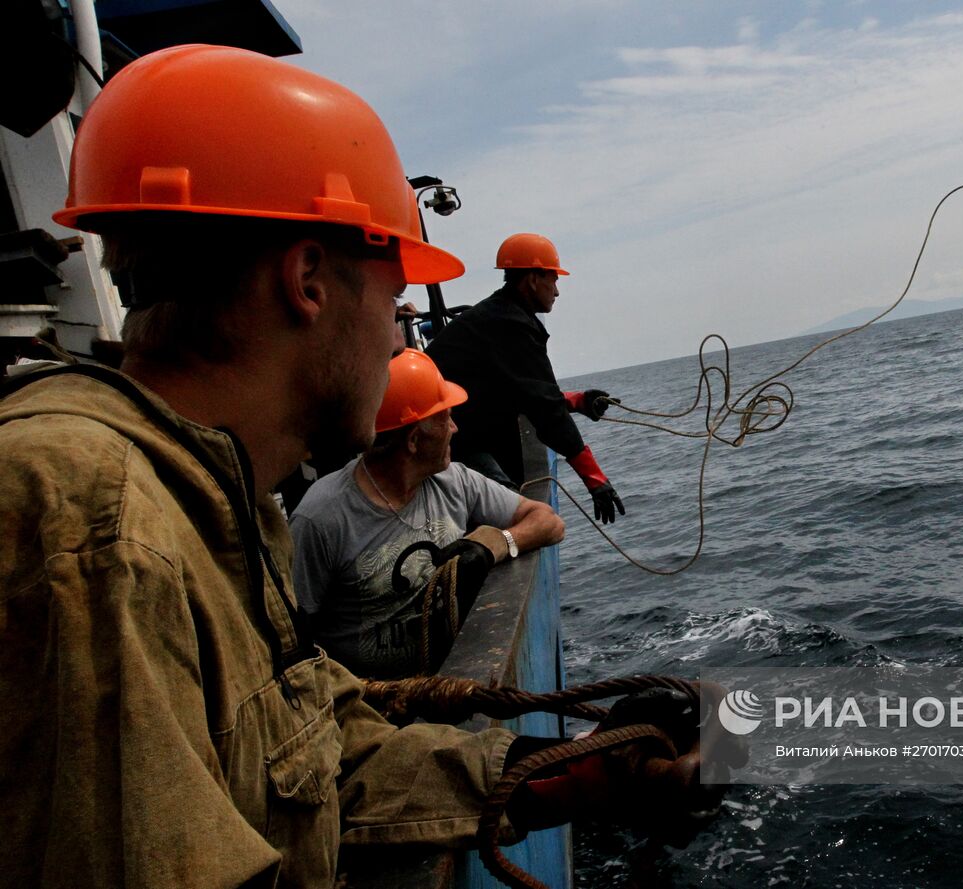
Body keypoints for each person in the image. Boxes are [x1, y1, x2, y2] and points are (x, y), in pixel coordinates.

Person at [0, 45, 723, 888]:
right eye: (392, 298)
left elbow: (317, 749)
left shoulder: (212, 501)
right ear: (309, 279)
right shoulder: (94, 525)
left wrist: (590, 774)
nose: (399, 337)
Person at [291, 348, 565, 678]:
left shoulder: (455, 481)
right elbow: (293, 636)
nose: (454, 428)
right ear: (414, 440)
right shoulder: (320, 519)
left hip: (450, 684)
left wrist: (496, 545)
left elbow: (549, 523)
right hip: (372, 709)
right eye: (444, 417)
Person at [426, 233, 627, 523]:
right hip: (445, 436)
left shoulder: (503, 315)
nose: (556, 291)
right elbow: (546, 412)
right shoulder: (509, 324)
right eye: (553, 279)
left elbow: (524, 390)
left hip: (463, 426)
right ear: (533, 279)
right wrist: (594, 479)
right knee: (516, 515)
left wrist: (578, 401)